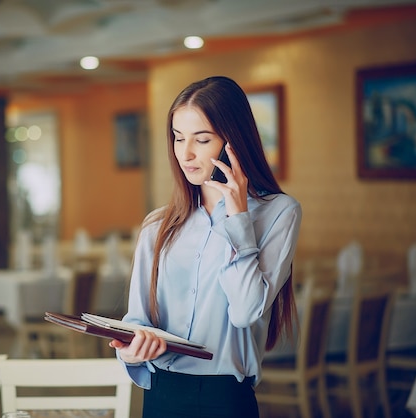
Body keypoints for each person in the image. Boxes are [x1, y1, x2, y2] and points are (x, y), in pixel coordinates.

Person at [109, 76, 302, 418]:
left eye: (201, 139)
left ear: (233, 141)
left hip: (225, 398)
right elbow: (137, 320)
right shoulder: (158, 225)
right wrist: (131, 350)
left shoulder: (279, 212)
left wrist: (237, 217)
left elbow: (245, 311)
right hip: (161, 394)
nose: (185, 153)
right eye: (178, 138)